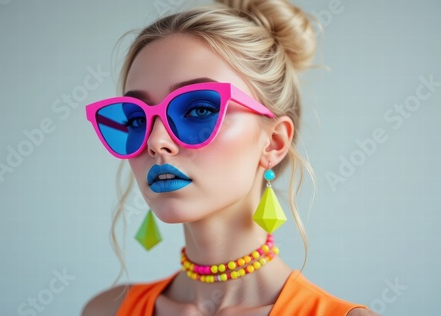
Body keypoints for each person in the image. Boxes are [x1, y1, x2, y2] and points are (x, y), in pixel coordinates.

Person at [82, 0, 377, 315]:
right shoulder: (105, 310)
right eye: (137, 119)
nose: (155, 141)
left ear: (273, 143)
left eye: (199, 110)